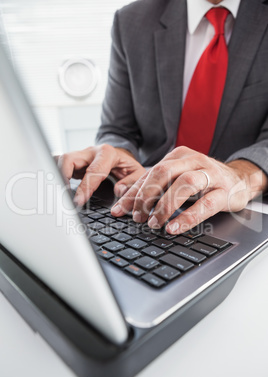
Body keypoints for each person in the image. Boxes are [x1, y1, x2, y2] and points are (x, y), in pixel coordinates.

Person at [58, 0, 268, 235]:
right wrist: (119, 155)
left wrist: (239, 176)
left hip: (241, 215)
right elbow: (117, 129)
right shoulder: (131, 21)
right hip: (145, 203)